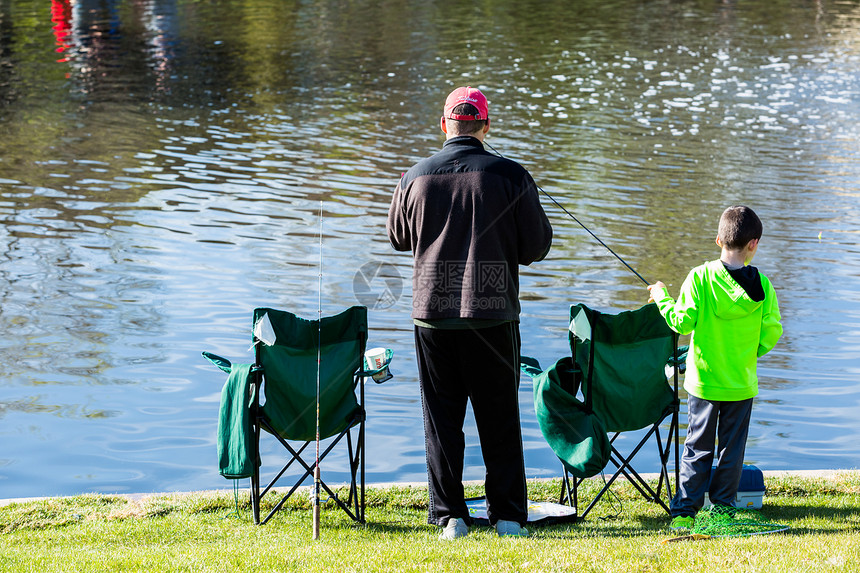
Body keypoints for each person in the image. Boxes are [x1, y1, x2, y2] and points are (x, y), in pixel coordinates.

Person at [387, 86, 552, 539]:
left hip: (432, 314)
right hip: (493, 312)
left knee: (441, 420)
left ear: (444, 126)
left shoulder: (413, 177)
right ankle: (509, 517)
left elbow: (399, 238)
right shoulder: (512, 175)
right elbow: (536, 247)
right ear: (485, 125)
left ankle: (450, 517)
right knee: (499, 417)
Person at [646, 205, 782, 530]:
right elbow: (773, 331)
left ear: (718, 239)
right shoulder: (763, 286)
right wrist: (748, 355)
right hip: (741, 383)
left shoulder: (700, 277)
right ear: (754, 244)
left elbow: (682, 320)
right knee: (731, 451)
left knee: (697, 446)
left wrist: (662, 295)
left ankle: (684, 513)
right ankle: (722, 510)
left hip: (704, 383)